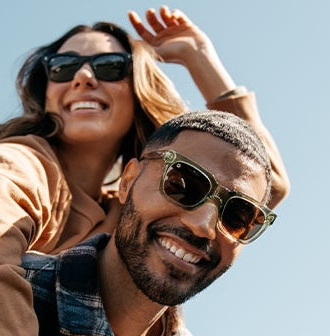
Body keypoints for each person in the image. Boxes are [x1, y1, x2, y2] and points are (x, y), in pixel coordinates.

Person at [0, 5, 289, 336]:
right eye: (63, 67)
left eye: (109, 66)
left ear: (137, 89)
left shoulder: (136, 202)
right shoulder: (21, 162)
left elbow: (256, 183)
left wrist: (199, 56)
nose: (84, 76)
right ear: (48, 92)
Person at [22, 110, 277, 336]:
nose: (203, 226)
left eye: (237, 217)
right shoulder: (13, 293)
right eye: (182, 186)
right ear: (127, 181)